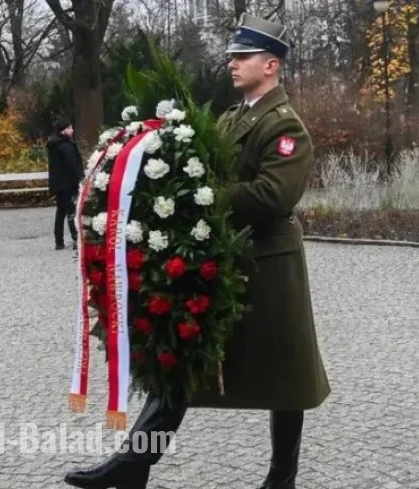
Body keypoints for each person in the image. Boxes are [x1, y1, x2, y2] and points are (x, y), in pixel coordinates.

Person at [63, 13, 331, 489]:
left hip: (268, 268)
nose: (232, 63)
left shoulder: (285, 127)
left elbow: (274, 196)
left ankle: (281, 477)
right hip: (222, 263)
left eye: (243, 56)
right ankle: (132, 464)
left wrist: (195, 196)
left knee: (287, 376)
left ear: (271, 65)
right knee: (180, 360)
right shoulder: (233, 116)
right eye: (231, 55)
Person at [46, 119, 84, 250]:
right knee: (71, 211)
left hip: (59, 185)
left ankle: (59, 240)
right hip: (69, 184)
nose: (72, 130)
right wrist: (81, 179)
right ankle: (76, 238)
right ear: (63, 130)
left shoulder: (54, 144)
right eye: (70, 128)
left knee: (61, 211)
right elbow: (74, 166)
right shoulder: (66, 146)